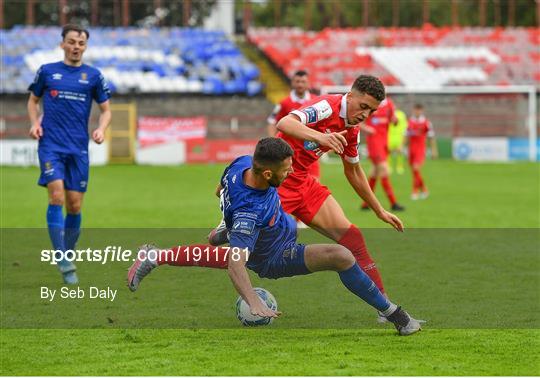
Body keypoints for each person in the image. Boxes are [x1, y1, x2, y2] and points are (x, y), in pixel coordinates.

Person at [127, 138, 422, 336]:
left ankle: (157, 255)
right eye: (286, 169)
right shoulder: (249, 211)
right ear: (267, 173)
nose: (292, 171)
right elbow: (235, 265)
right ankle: (396, 315)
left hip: (263, 228)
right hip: (273, 256)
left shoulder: (242, 163)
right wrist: (253, 301)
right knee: (342, 256)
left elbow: (220, 189)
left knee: (219, 246)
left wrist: (227, 212)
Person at [28, 24, 112, 284]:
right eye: (72, 41)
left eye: (81, 43)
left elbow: (106, 110)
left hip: (78, 148)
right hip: (51, 145)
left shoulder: (93, 76)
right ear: (63, 43)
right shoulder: (48, 72)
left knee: (75, 205)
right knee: (56, 198)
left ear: (85, 46)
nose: (76, 46)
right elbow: (33, 100)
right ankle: (62, 258)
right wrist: (35, 123)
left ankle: (66, 252)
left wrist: (100, 129)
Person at [266, 70, 320, 182]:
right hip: (289, 151)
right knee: (286, 182)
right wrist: (272, 141)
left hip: (310, 149)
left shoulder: (316, 101)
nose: (300, 84)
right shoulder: (284, 103)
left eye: (303, 82)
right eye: (297, 81)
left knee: (314, 182)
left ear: (308, 83)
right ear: (292, 83)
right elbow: (272, 122)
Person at [361, 96, 405, 211]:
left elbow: (393, 120)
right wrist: (367, 129)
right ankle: (393, 203)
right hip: (374, 142)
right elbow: (359, 122)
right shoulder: (370, 103)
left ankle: (366, 204)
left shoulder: (389, 103)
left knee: (375, 172)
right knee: (384, 169)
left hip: (384, 142)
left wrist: (395, 120)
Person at [406, 104, 438, 200]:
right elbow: (406, 135)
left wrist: (434, 151)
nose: (417, 112)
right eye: (416, 110)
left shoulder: (426, 123)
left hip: (420, 150)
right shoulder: (409, 122)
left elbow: (431, 138)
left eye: (419, 110)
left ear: (422, 111)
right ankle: (424, 189)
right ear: (413, 110)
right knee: (414, 171)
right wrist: (401, 146)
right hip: (411, 150)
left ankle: (415, 192)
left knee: (416, 169)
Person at [387, 108, 408, 175]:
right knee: (388, 152)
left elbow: (405, 126)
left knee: (400, 152)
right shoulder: (388, 113)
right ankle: (389, 167)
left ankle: (400, 167)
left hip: (399, 136)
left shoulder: (401, 114)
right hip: (389, 136)